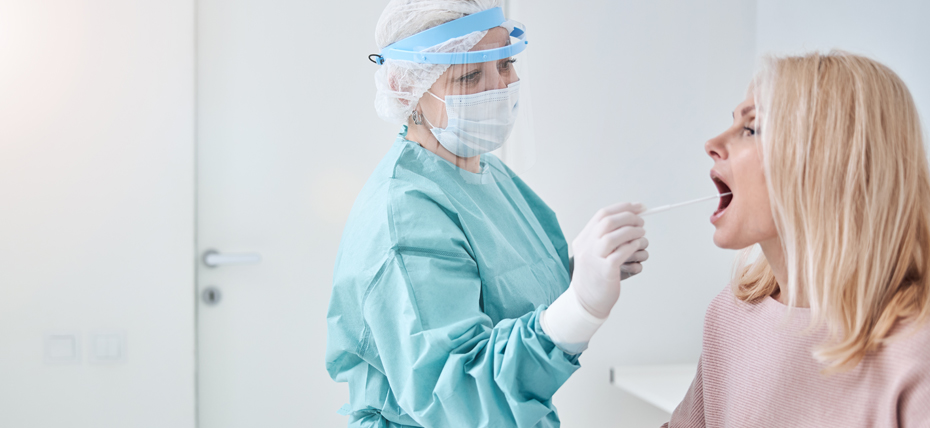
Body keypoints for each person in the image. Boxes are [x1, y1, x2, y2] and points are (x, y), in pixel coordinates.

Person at [326, 1, 649, 427]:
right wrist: (580, 307)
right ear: (408, 89)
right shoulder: (405, 215)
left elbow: (504, 293)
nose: (500, 86)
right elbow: (460, 397)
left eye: (506, 64)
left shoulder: (484, 172)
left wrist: (583, 269)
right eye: (470, 74)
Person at [665, 52, 930, 427]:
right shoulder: (730, 316)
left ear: (828, 161)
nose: (712, 143)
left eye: (752, 128)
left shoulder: (917, 351)